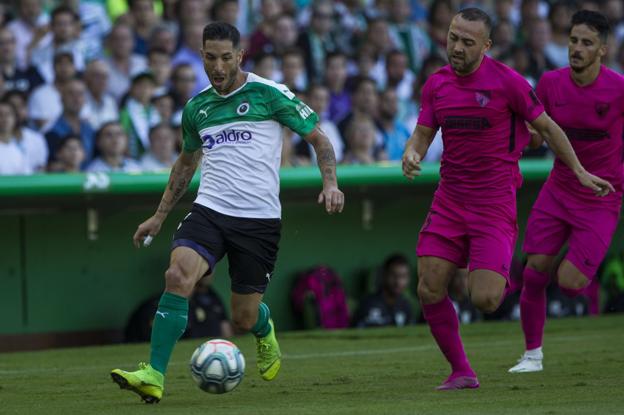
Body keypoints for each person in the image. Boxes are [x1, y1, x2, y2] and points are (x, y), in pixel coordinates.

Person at [110, 22, 344, 404]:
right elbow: (185, 165)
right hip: (210, 210)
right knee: (177, 274)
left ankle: (263, 324)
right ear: (201, 55)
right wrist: (158, 216)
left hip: (258, 221)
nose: (217, 67)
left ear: (240, 56)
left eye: (225, 58)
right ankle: (153, 374)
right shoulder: (197, 107)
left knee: (243, 319)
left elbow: (319, 138)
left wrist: (330, 183)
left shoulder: (270, 95)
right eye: (209, 57)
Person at [401, 7, 613, 391]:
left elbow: (548, 128)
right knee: (429, 286)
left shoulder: (508, 83)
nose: (457, 48)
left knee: (485, 300)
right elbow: (422, 133)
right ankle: (462, 371)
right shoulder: (436, 84)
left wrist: (580, 171)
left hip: (494, 204)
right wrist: (411, 152)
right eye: (453, 38)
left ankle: (498, 264)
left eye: (467, 42)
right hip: (449, 199)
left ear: (487, 45)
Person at [509, 10, 624, 374]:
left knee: (571, 284)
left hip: (602, 197)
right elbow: (537, 137)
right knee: (533, 271)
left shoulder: (619, 90)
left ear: (603, 50)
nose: (576, 48)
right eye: (573, 40)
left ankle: (577, 262)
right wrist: (509, 136)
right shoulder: (550, 83)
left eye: (586, 43)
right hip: (559, 190)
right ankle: (532, 356)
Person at [353, 253, 414, 328]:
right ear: (384, 275)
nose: (398, 282)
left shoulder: (406, 306)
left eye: (403, 276)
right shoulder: (368, 304)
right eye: (393, 275)